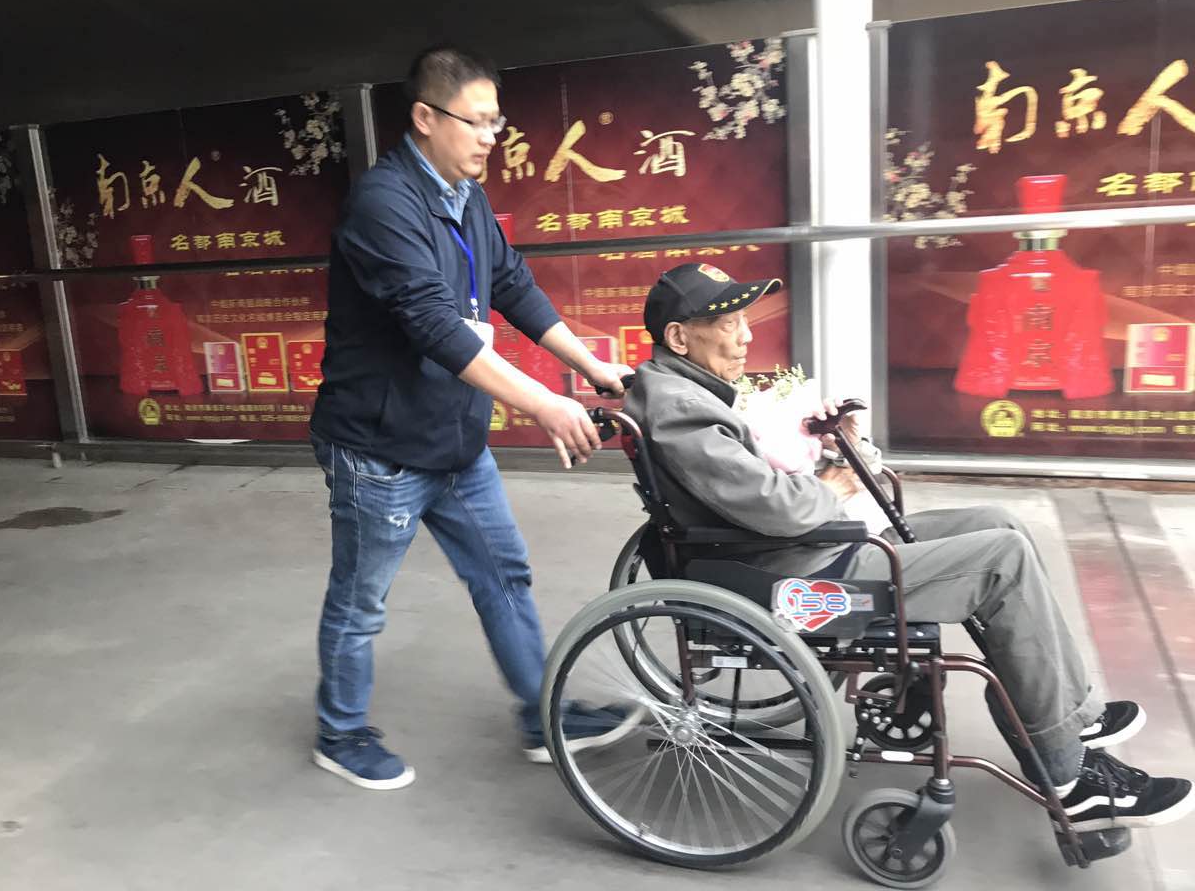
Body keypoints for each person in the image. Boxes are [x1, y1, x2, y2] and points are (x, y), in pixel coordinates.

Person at [623, 261, 1193, 833]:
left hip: (805, 548)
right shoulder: (681, 409)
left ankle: (1065, 713)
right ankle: (1071, 779)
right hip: (795, 581)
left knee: (998, 522)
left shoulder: (690, 391)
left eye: (746, 320)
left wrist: (827, 446)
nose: (747, 335)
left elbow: (755, 488)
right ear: (679, 337)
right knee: (1003, 561)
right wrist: (829, 486)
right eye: (730, 323)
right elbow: (778, 506)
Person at [308, 46, 635, 790]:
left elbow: (511, 285)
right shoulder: (383, 204)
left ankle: (543, 715)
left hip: (454, 438)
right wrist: (545, 403)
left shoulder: (467, 196)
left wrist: (590, 366)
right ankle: (340, 732)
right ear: (425, 118)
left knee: (504, 573)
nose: (492, 137)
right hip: (380, 449)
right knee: (361, 602)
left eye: (497, 122)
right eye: (477, 122)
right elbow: (433, 324)